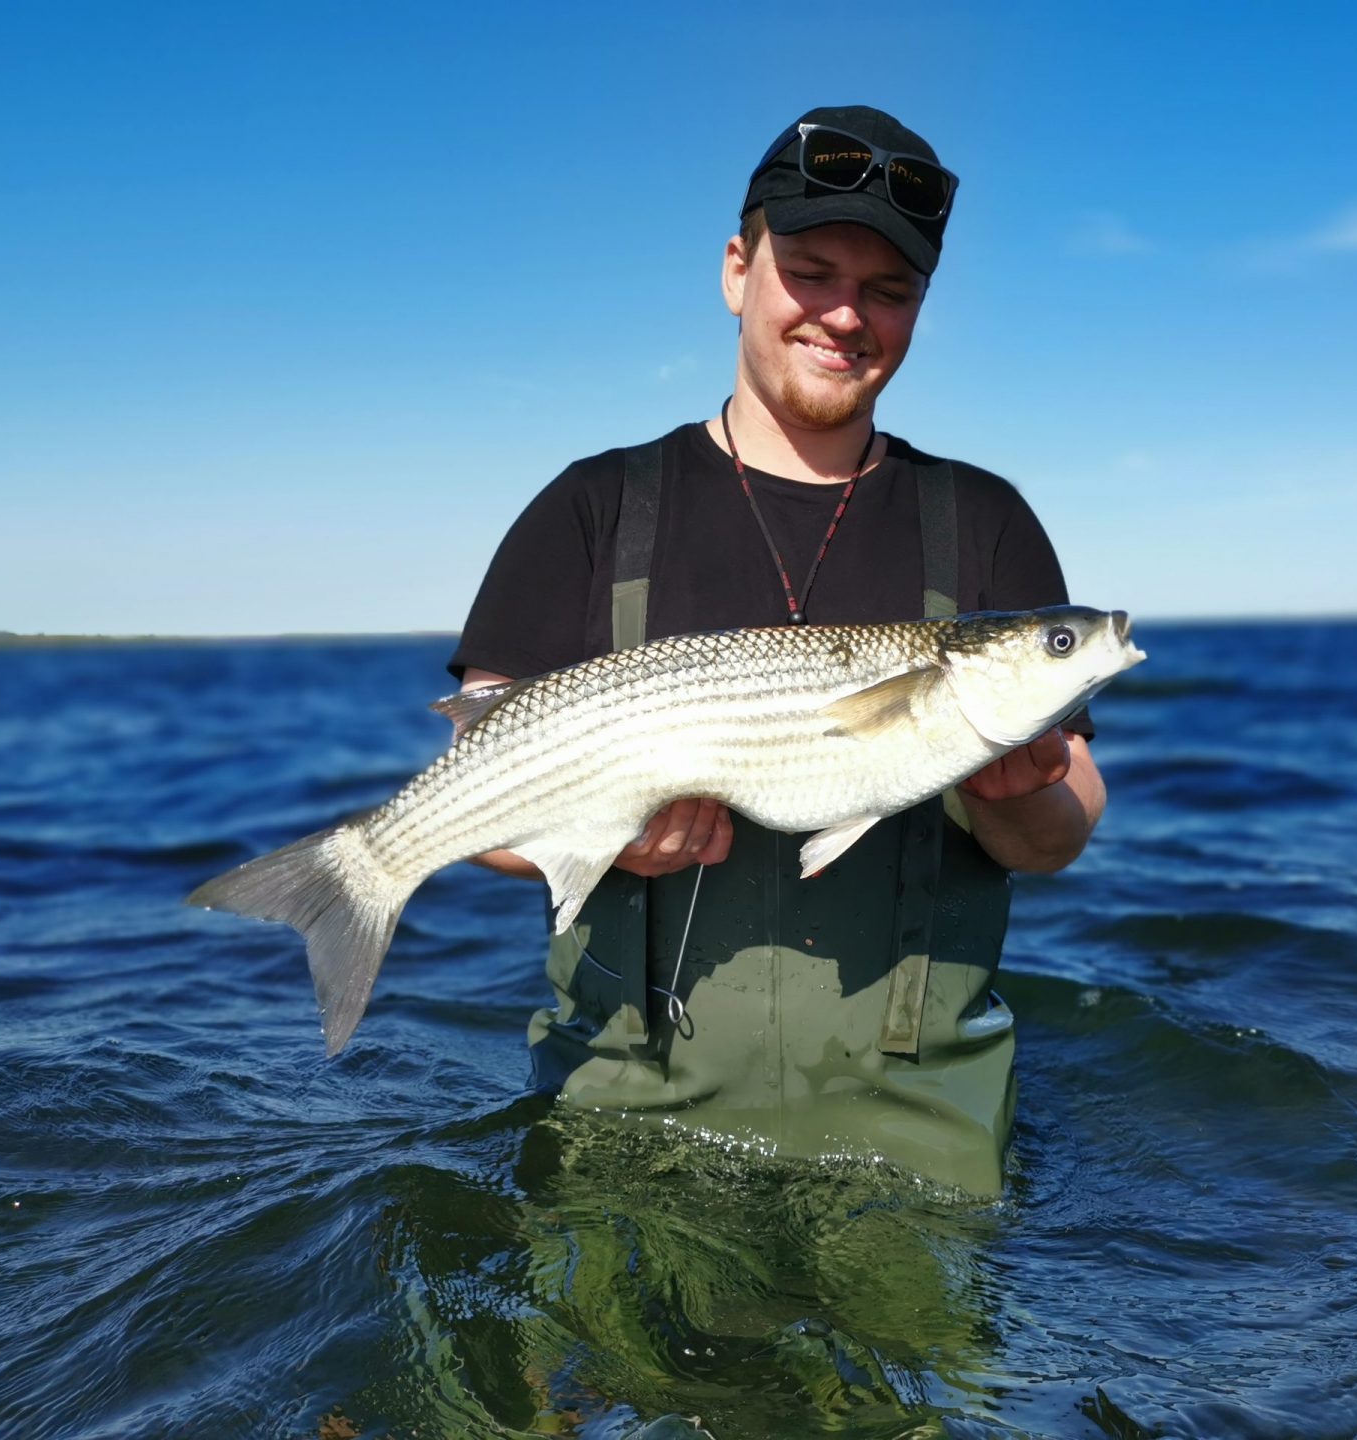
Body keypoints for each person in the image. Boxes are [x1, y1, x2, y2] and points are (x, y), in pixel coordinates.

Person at [446, 105, 1106, 1194]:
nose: (847, 315)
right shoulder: (592, 509)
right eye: (810, 271)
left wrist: (1022, 793)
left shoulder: (984, 519)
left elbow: (1058, 830)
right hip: (625, 1120)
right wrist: (608, 836)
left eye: (889, 291)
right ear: (736, 270)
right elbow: (485, 801)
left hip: (922, 1140)